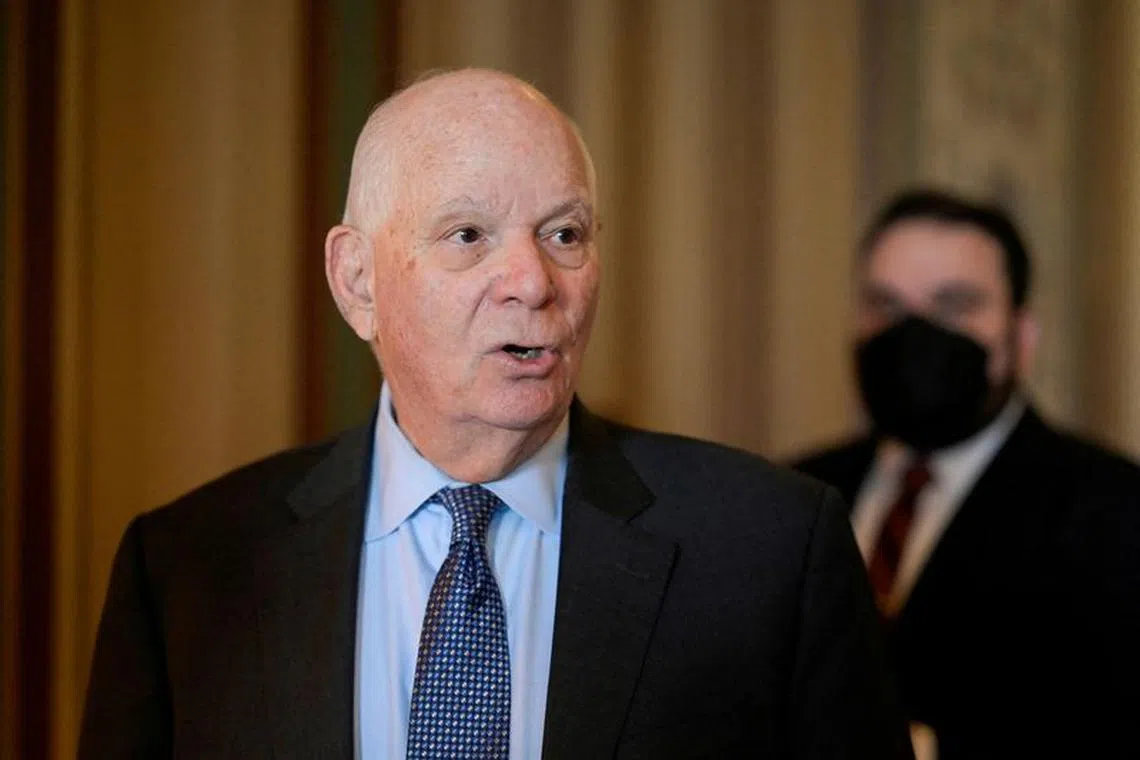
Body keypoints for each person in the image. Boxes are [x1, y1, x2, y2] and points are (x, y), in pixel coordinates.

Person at [79, 68, 911, 759]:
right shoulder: (186, 568)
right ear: (358, 281)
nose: (533, 282)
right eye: (470, 234)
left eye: (564, 234)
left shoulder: (771, 549)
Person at [794, 188, 1140, 759]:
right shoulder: (797, 490)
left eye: (955, 306)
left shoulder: (1115, 513)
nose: (914, 335)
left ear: (1021, 339)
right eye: (885, 307)